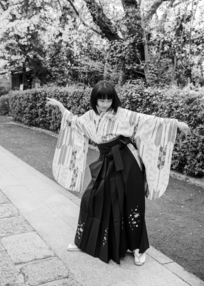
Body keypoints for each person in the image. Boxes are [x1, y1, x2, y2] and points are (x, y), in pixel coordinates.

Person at [46, 81, 190, 266]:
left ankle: (138, 248)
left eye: (108, 100)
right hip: (106, 161)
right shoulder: (90, 116)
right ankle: (84, 240)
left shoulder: (123, 114)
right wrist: (61, 107)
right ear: (95, 100)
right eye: (101, 100)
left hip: (127, 161)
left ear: (113, 99)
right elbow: (74, 121)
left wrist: (176, 124)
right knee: (91, 199)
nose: (105, 104)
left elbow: (148, 121)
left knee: (131, 202)